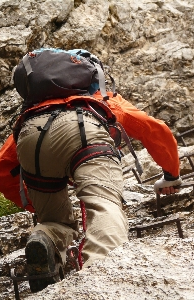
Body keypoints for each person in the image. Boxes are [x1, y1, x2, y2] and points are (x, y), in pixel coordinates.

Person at [15, 63, 182, 293]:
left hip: (30, 139)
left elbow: (0, 168)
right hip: (83, 128)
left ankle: (45, 235)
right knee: (104, 204)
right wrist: (171, 174)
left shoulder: (33, 110)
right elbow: (154, 129)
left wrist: (35, 204)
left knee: (54, 221)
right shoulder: (99, 98)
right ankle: (104, 283)